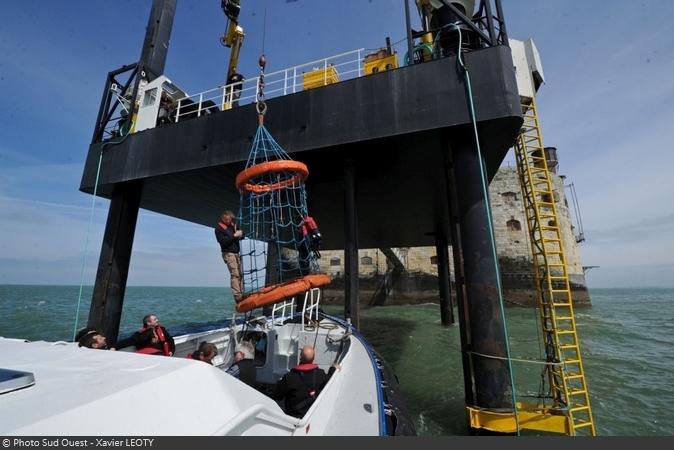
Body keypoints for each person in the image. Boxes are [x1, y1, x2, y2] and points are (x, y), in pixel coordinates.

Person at [273, 345, 339, 418]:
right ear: (313, 359)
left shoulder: (289, 377)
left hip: (295, 417)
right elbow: (330, 379)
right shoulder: (321, 374)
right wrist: (333, 369)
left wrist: (280, 383)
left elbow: (277, 396)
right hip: (313, 415)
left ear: (300, 357)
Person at [215, 210, 244, 303]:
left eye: (230, 219)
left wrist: (241, 233)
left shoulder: (233, 225)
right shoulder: (218, 229)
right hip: (228, 253)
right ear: (223, 218)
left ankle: (242, 292)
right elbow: (223, 242)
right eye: (227, 220)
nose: (229, 221)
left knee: (240, 274)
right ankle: (238, 296)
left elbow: (242, 235)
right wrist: (234, 235)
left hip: (236, 253)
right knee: (235, 274)